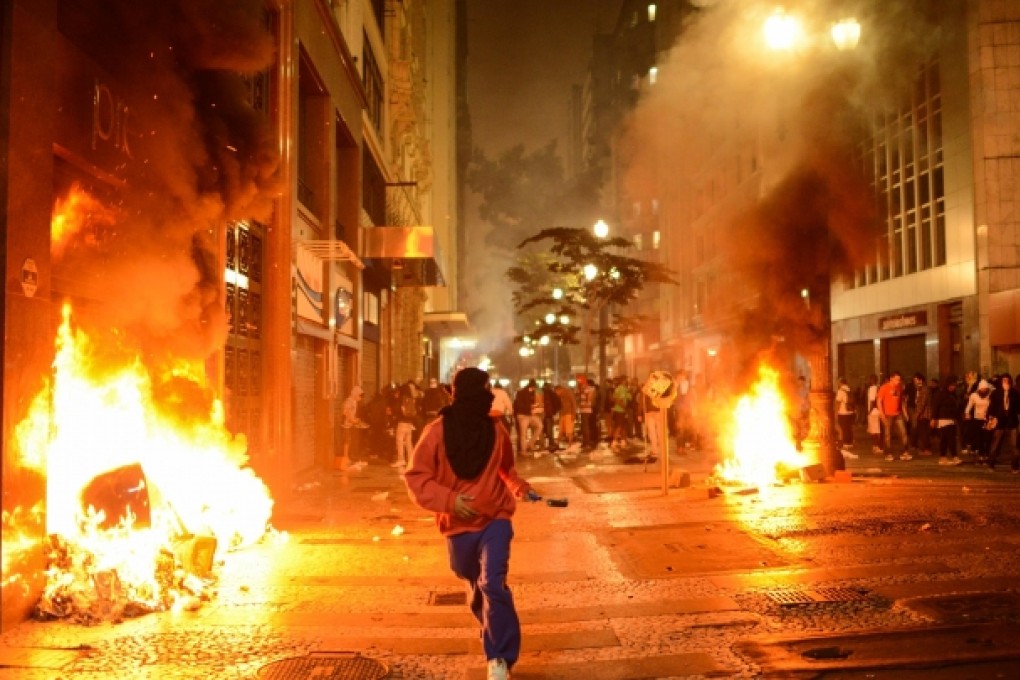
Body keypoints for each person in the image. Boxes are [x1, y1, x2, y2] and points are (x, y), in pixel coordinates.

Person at [403, 367, 538, 680]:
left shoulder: (496, 428)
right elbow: (417, 476)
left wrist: (520, 488)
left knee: (492, 583)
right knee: (472, 579)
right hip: (457, 525)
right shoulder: (437, 431)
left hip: (495, 518)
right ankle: (492, 626)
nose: (488, 395)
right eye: (484, 389)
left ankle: (499, 657)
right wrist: (450, 501)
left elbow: (506, 469)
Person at [986, 374, 1020, 473]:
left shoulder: (1014, 393)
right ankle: (991, 464)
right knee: (995, 444)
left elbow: (1018, 407)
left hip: (1012, 421)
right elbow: (992, 407)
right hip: (999, 421)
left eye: (1007, 381)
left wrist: (1009, 395)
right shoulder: (996, 393)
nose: (1006, 382)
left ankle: (1015, 466)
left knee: (1014, 445)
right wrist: (990, 418)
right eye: (1004, 380)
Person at [877, 372, 910, 460]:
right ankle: (888, 453)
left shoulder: (899, 387)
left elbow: (901, 401)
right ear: (891, 378)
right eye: (896, 379)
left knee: (903, 433)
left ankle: (904, 452)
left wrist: (905, 413)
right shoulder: (884, 387)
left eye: (899, 379)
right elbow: (879, 401)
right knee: (888, 434)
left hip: (898, 414)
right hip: (888, 414)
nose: (898, 381)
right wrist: (882, 414)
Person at [929, 376, 962, 465]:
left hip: (952, 419)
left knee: (945, 439)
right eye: (951, 385)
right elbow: (935, 406)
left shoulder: (953, 395)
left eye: (954, 385)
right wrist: (933, 418)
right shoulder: (941, 394)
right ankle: (954, 456)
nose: (953, 387)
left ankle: (943, 457)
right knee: (950, 438)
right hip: (943, 419)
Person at [963, 379, 993, 462]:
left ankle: (987, 453)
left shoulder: (990, 395)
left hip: (987, 419)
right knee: (979, 437)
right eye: (982, 389)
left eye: (985, 389)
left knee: (987, 437)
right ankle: (981, 453)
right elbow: (969, 405)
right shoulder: (974, 396)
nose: (984, 390)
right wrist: (967, 413)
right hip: (977, 419)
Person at [338, 385, 368, 467]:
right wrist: (353, 420)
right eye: (360, 396)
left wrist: (355, 420)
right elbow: (346, 413)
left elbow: (351, 414)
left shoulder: (354, 402)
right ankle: (345, 457)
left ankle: (347, 457)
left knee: (348, 440)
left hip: (349, 424)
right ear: (355, 394)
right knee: (346, 441)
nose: (361, 398)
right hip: (345, 425)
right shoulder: (349, 401)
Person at [392, 380, 419, 469]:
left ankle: (401, 459)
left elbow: (397, 409)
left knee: (399, 440)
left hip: (402, 422)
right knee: (408, 442)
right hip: (409, 422)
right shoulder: (411, 399)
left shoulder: (402, 398)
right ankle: (411, 459)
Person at [907, 372, 932, 456]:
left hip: (924, 414)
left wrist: (917, 414)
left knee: (923, 432)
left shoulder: (924, 389)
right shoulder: (920, 389)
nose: (915, 382)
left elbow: (922, 403)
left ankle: (927, 449)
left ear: (920, 380)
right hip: (921, 413)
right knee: (921, 431)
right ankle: (923, 448)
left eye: (916, 380)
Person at [834, 377, 858, 458]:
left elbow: (837, 402)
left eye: (838, 382)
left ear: (841, 383)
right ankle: (850, 442)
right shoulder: (849, 389)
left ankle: (845, 443)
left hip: (843, 412)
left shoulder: (840, 391)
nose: (837, 383)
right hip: (851, 412)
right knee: (849, 427)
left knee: (843, 428)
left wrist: (835, 412)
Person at [554, 382, 577, 450]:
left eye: (557, 392)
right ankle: (557, 444)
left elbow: (574, 403)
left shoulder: (568, 392)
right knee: (561, 430)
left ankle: (570, 445)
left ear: (559, 389)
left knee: (569, 431)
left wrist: (574, 414)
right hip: (562, 414)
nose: (557, 394)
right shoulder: (560, 396)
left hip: (569, 413)